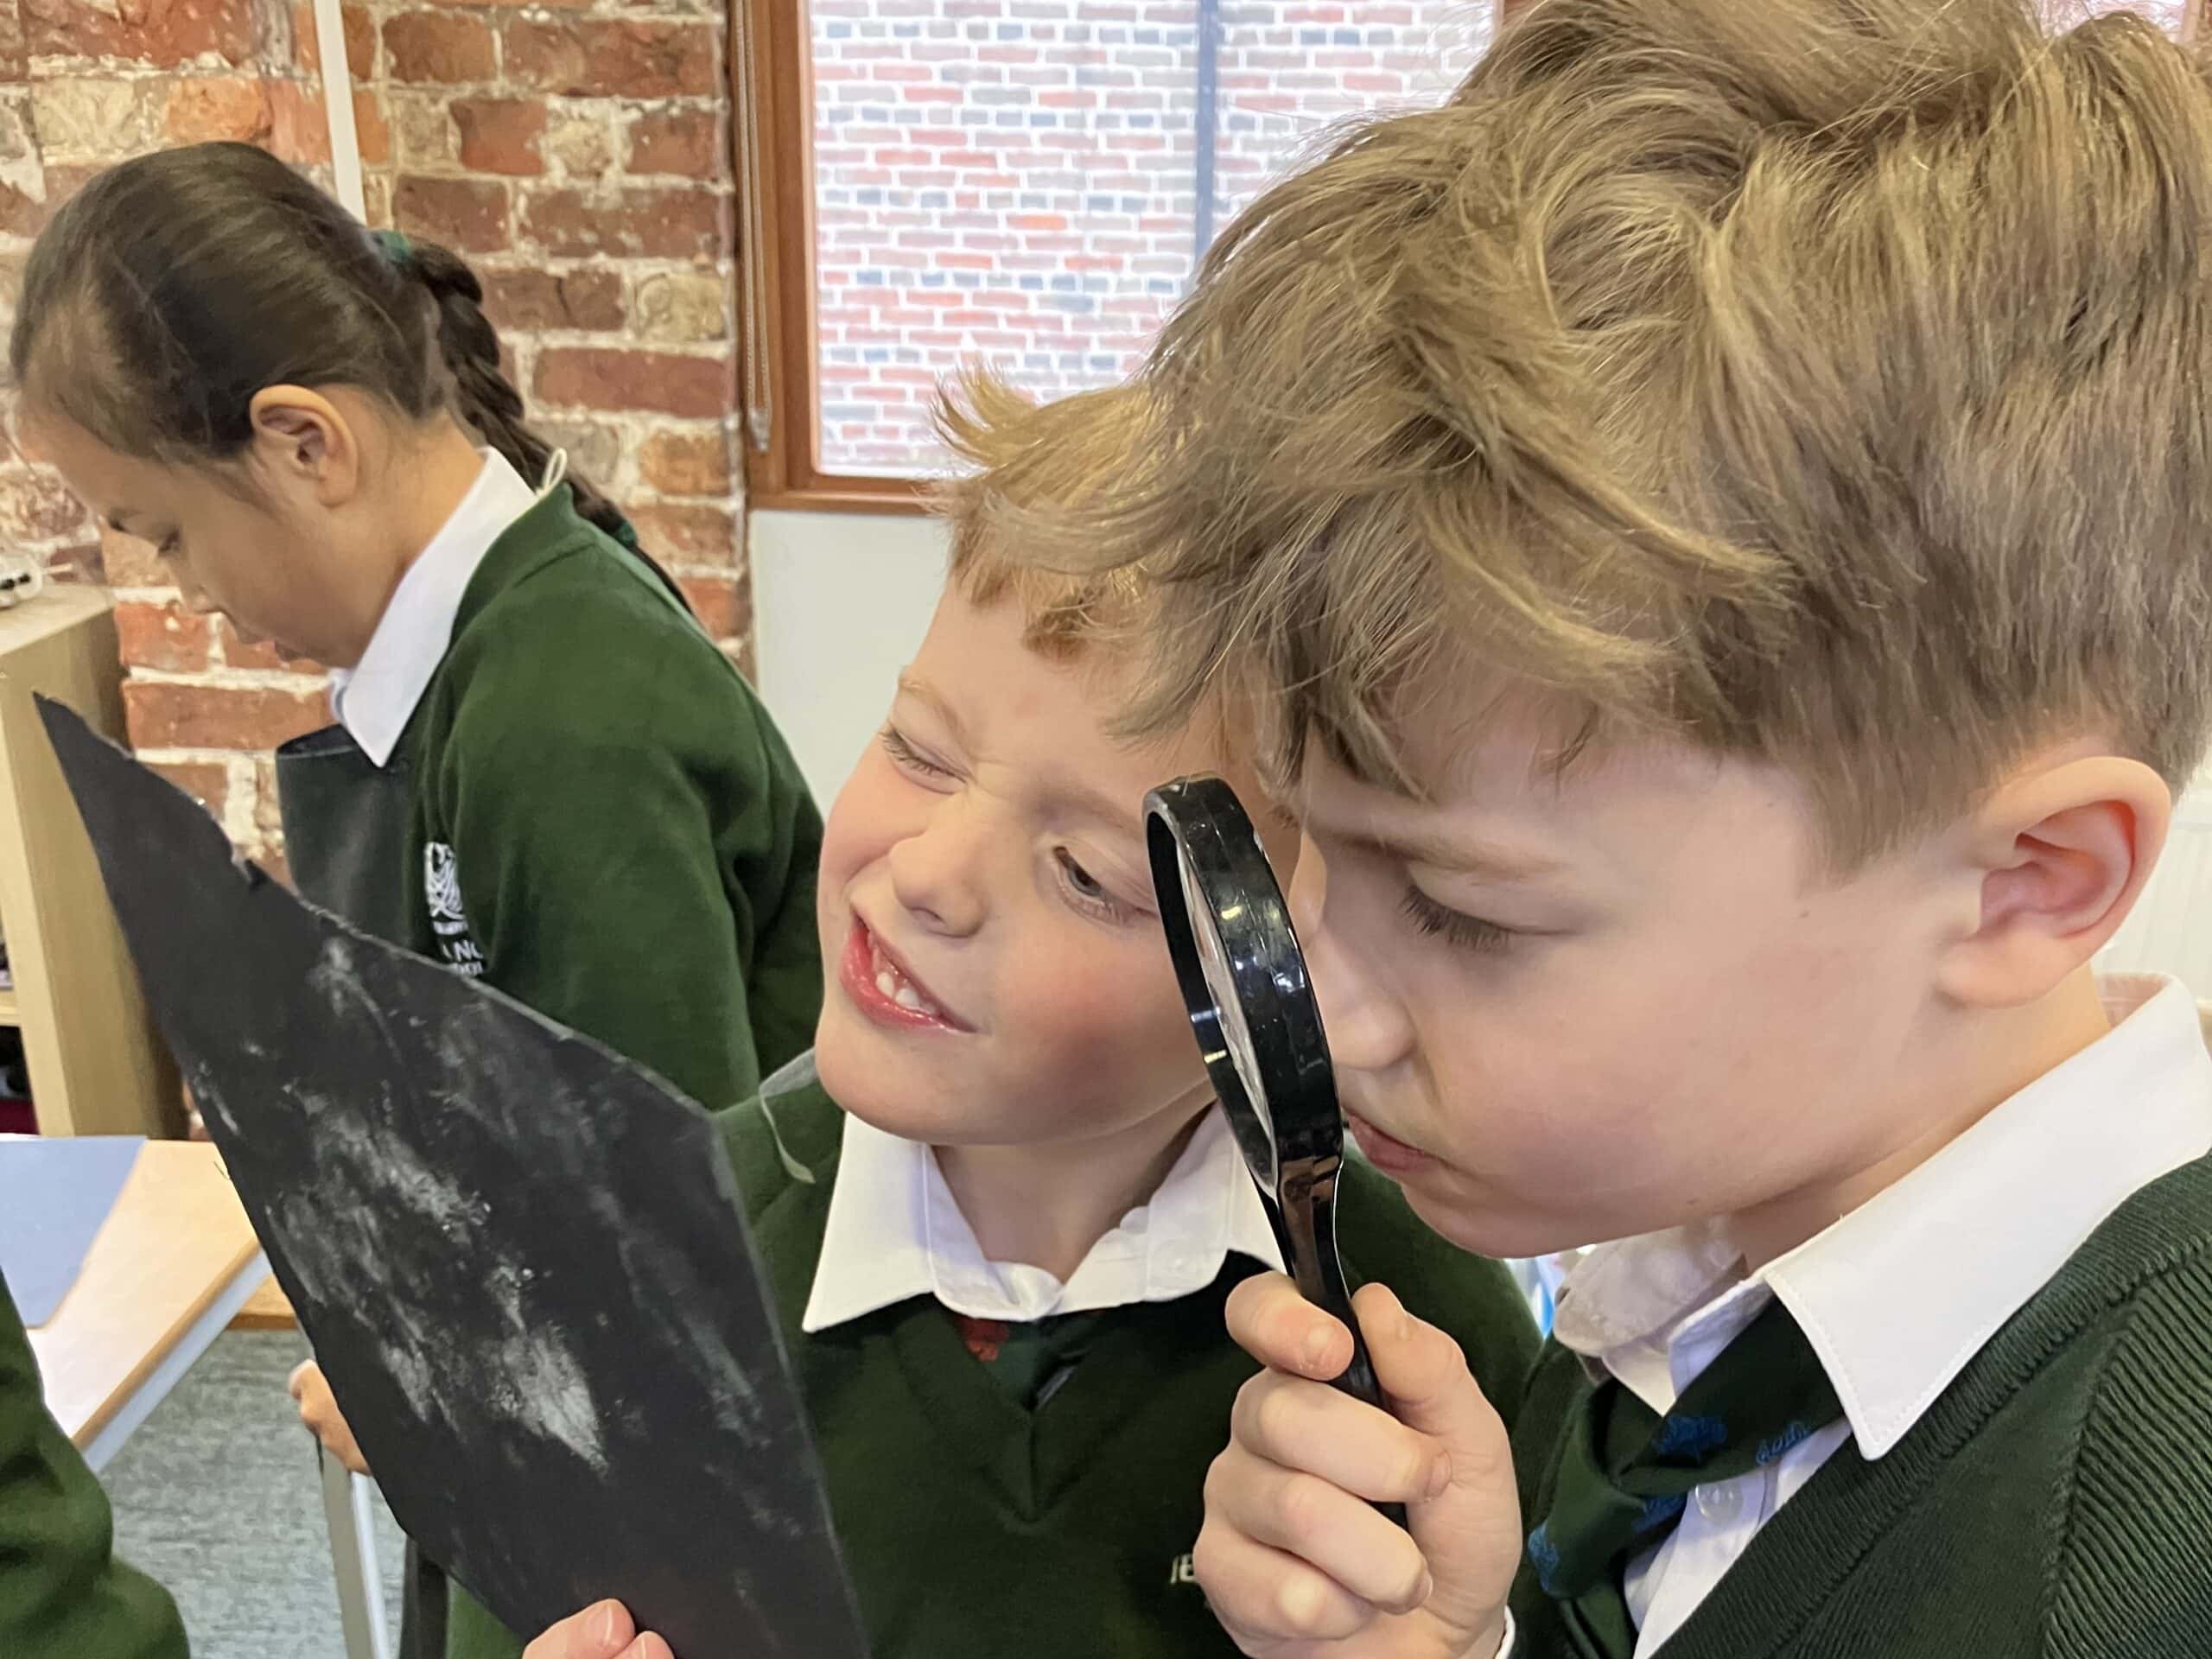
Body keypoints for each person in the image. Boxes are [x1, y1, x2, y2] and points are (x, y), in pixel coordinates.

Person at [995, 2, 2212, 1655]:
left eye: (1465, 910)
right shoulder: (1727, 1243)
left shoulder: (2136, 1571)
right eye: (1307, 839)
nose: (1326, 1010)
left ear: (2029, 886)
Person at [478, 378, 1543, 1659]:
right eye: (919, 750)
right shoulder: (626, 1276)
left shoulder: (1431, 1351)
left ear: (1309, 975)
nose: (926, 871)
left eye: (1087, 874)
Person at [11, 140, 824, 1655]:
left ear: (303, 442)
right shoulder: (459, 668)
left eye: (168, 532)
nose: (185, 595)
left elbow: (664, 1267)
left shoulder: (561, 724)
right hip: (540, 1460)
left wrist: (433, 1396)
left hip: (641, 1533)